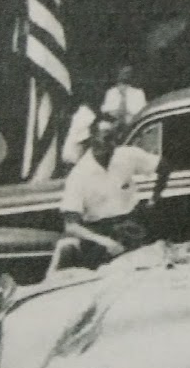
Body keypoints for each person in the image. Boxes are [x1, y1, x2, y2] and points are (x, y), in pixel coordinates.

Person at [55, 115, 164, 270]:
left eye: (115, 139)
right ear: (92, 139)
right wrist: (104, 241)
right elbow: (71, 225)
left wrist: (155, 198)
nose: (111, 145)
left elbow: (164, 166)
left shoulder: (128, 155)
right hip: (100, 235)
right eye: (106, 139)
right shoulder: (78, 175)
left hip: (131, 226)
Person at [60, 86, 97, 167]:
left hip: (72, 158)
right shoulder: (85, 113)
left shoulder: (84, 113)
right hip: (72, 158)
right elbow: (85, 140)